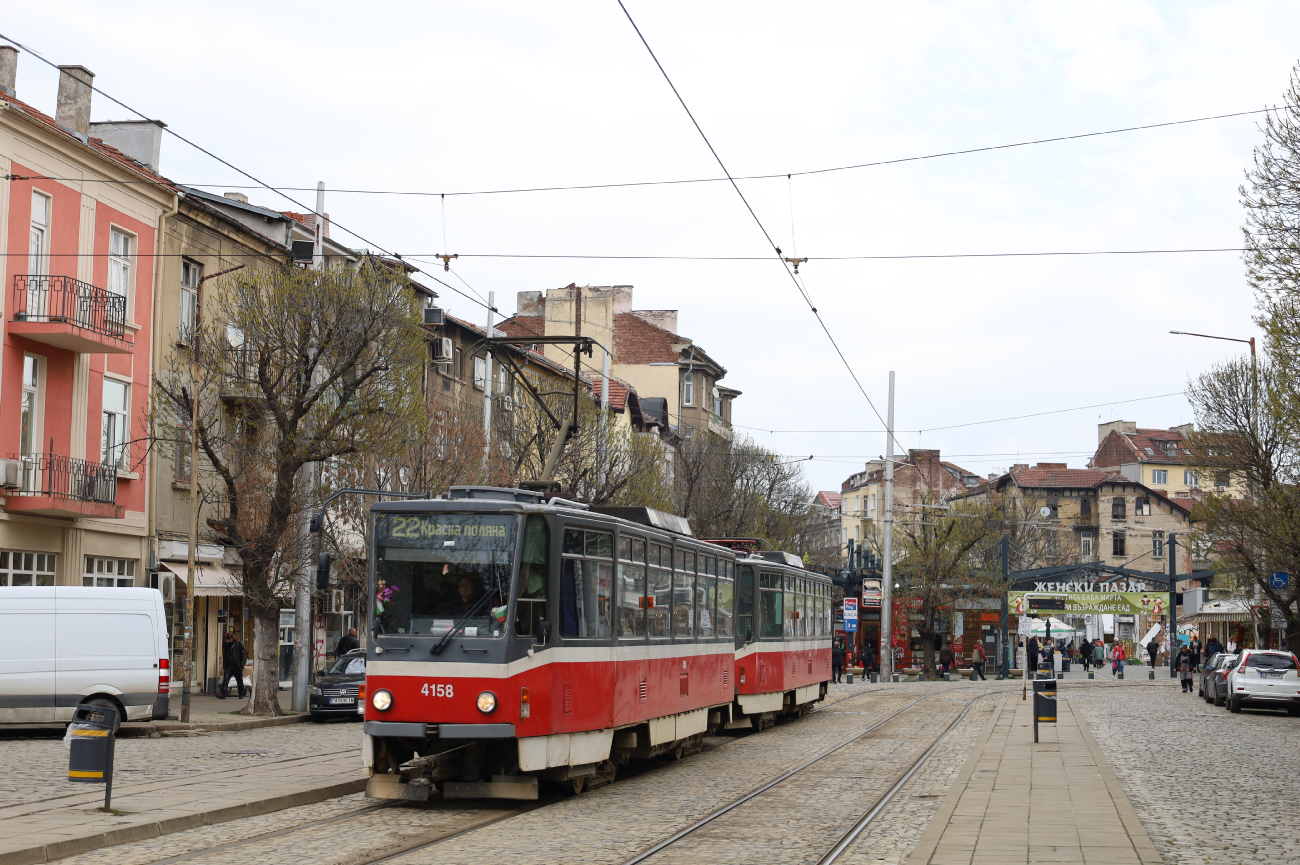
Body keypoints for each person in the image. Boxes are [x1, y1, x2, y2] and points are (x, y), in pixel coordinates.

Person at [219, 632, 247, 699]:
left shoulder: (239, 644)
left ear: (233, 638)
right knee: (225, 680)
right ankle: (223, 694)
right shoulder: (227, 645)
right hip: (229, 665)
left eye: (230, 639)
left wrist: (241, 666)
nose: (229, 641)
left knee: (239, 680)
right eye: (228, 639)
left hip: (237, 665)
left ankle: (241, 693)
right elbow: (225, 655)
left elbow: (244, 656)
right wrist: (225, 666)